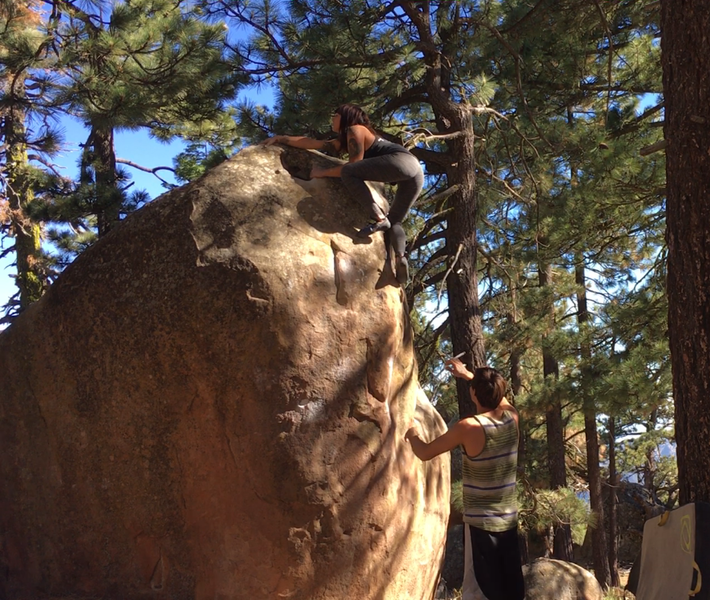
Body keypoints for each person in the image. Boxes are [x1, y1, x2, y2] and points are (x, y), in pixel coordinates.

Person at [261, 103, 424, 285]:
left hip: (402, 162)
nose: (332, 119)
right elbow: (313, 143)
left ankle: (378, 218)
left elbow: (352, 166)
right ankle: (400, 257)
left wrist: (321, 173)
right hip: (416, 173)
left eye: (335, 115)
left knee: (349, 172)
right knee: (396, 221)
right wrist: (282, 138)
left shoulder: (355, 129)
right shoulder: (345, 139)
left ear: (346, 116)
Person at [405, 358, 525, 600]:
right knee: (510, 590)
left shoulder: (469, 427)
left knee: (480, 590)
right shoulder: (512, 417)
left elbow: (425, 452)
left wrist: (412, 432)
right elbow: (498, 398)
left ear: (473, 394)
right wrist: (470, 376)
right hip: (508, 520)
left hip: (481, 525)